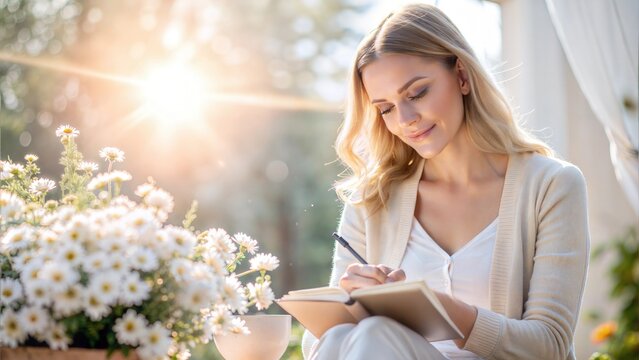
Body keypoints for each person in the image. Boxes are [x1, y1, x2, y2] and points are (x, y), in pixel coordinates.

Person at [302, 3, 590, 360]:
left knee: (377, 331)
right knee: (348, 333)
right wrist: (349, 304)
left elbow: (550, 344)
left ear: (462, 75)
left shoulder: (552, 186)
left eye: (417, 93)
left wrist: (437, 309)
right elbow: (321, 344)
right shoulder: (373, 198)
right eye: (386, 108)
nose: (405, 119)